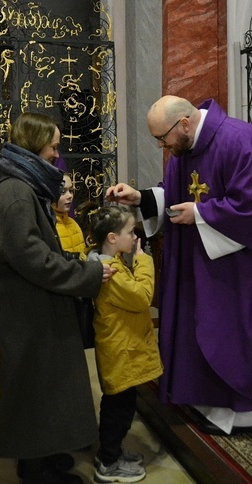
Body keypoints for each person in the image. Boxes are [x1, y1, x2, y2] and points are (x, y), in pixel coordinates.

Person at [105, 95, 252, 435]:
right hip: (207, 260)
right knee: (206, 326)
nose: (163, 146)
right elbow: (174, 193)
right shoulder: (184, 150)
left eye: (163, 138)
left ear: (185, 123)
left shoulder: (241, 141)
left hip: (248, 263)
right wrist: (142, 197)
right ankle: (207, 394)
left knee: (249, 334)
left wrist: (203, 213)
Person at [0, 112, 116, 484]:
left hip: (36, 304)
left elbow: (40, 247)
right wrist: (85, 274)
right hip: (27, 309)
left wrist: (75, 263)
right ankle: (34, 467)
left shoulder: (26, 183)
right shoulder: (15, 191)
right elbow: (31, 257)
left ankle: (45, 450)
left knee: (46, 384)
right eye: (54, 146)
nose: (58, 155)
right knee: (33, 386)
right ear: (34, 144)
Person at [87, 205, 161, 483]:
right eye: (130, 232)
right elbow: (141, 297)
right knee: (118, 408)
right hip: (120, 351)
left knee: (122, 404)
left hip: (123, 348)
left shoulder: (111, 263)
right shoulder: (110, 271)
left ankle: (113, 452)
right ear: (112, 238)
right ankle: (108, 463)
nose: (134, 237)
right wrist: (143, 261)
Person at [53, 173, 87, 258]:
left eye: (71, 190)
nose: (69, 196)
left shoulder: (73, 224)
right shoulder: (48, 226)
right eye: (63, 192)